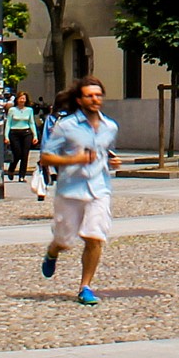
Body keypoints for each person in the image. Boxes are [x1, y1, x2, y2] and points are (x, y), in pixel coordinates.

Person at [38, 78, 119, 305]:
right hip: (70, 190)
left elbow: (106, 152)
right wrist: (74, 159)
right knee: (65, 239)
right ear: (79, 100)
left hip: (99, 189)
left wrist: (112, 162)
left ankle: (85, 287)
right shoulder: (66, 127)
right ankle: (53, 251)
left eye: (98, 95)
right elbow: (45, 157)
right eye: (89, 96)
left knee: (95, 237)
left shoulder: (110, 127)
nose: (95, 99)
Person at [6, 91, 39, 189]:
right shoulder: (12, 110)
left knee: (25, 154)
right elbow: (8, 123)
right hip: (14, 133)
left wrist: (35, 136)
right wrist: (6, 136)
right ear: (17, 99)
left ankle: (22, 175)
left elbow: (32, 123)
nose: (22, 100)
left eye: (24, 98)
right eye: (21, 98)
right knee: (17, 153)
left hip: (26, 133)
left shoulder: (29, 110)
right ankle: (11, 168)